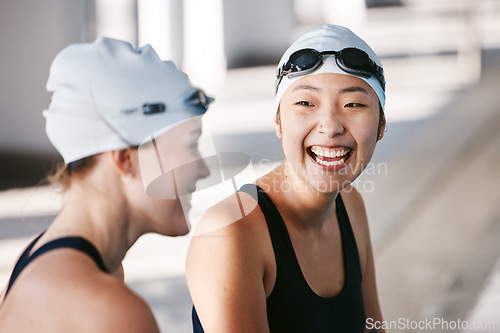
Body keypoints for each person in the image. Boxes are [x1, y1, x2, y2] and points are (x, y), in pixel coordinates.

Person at [0, 37, 212, 332]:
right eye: (191, 145)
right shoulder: (107, 309)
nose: (203, 168)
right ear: (125, 159)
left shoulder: (46, 260)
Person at [186, 24, 387, 333]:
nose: (330, 126)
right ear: (278, 122)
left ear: (381, 125)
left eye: (353, 104)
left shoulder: (350, 205)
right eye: (306, 103)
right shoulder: (231, 233)